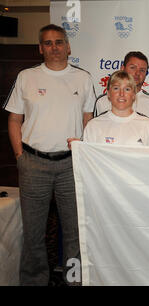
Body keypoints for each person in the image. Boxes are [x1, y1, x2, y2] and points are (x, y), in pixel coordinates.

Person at [4, 24, 96, 285]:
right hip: (33, 164)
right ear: (40, 48)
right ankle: (34, 281)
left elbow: (89, 119)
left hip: (71, 166)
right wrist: (20, 155)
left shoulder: (83, 78)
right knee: (33, 234)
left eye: (58, 42)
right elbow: (14, 120)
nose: (54, 47)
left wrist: (85, 155)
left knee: (75, 233)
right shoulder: (26, 77)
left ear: (68, 47)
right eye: (48, 43)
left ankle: (74, 280)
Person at [80, 70, 149, 146]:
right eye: (116, 88)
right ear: (108, 94)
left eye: (127, 89)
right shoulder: (94, 125)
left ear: (134, 95)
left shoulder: (148, 126)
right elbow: (88, 157)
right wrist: (77, 147)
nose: (121, 94)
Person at [93, 51, 149, 135]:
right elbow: (95, 133)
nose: (137, 73)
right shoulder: (102, 101)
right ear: (122, 68)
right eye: (133, 68)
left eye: (142, 70)